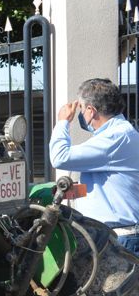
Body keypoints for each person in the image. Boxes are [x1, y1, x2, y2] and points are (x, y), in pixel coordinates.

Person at [49, 78, 139, 256]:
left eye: (82, 108)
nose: (80, 113)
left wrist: (62, 122)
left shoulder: (114, 139)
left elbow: (60, 157)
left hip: (118, 239)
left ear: (91, 110)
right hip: (117, 235)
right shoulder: (119, 134)